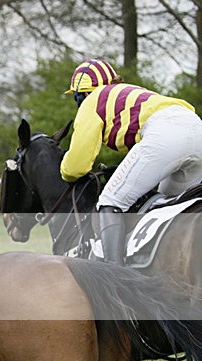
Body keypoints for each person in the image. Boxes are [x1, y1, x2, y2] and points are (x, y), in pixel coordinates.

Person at [60, 58, 202, 265]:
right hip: (196, 127)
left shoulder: (92, 102)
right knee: (168, 203)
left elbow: (77, 166)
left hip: (166, 133)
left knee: (110, 201)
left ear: (80, 94)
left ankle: (116, 275)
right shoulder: (130, 93)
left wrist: (64, 171)